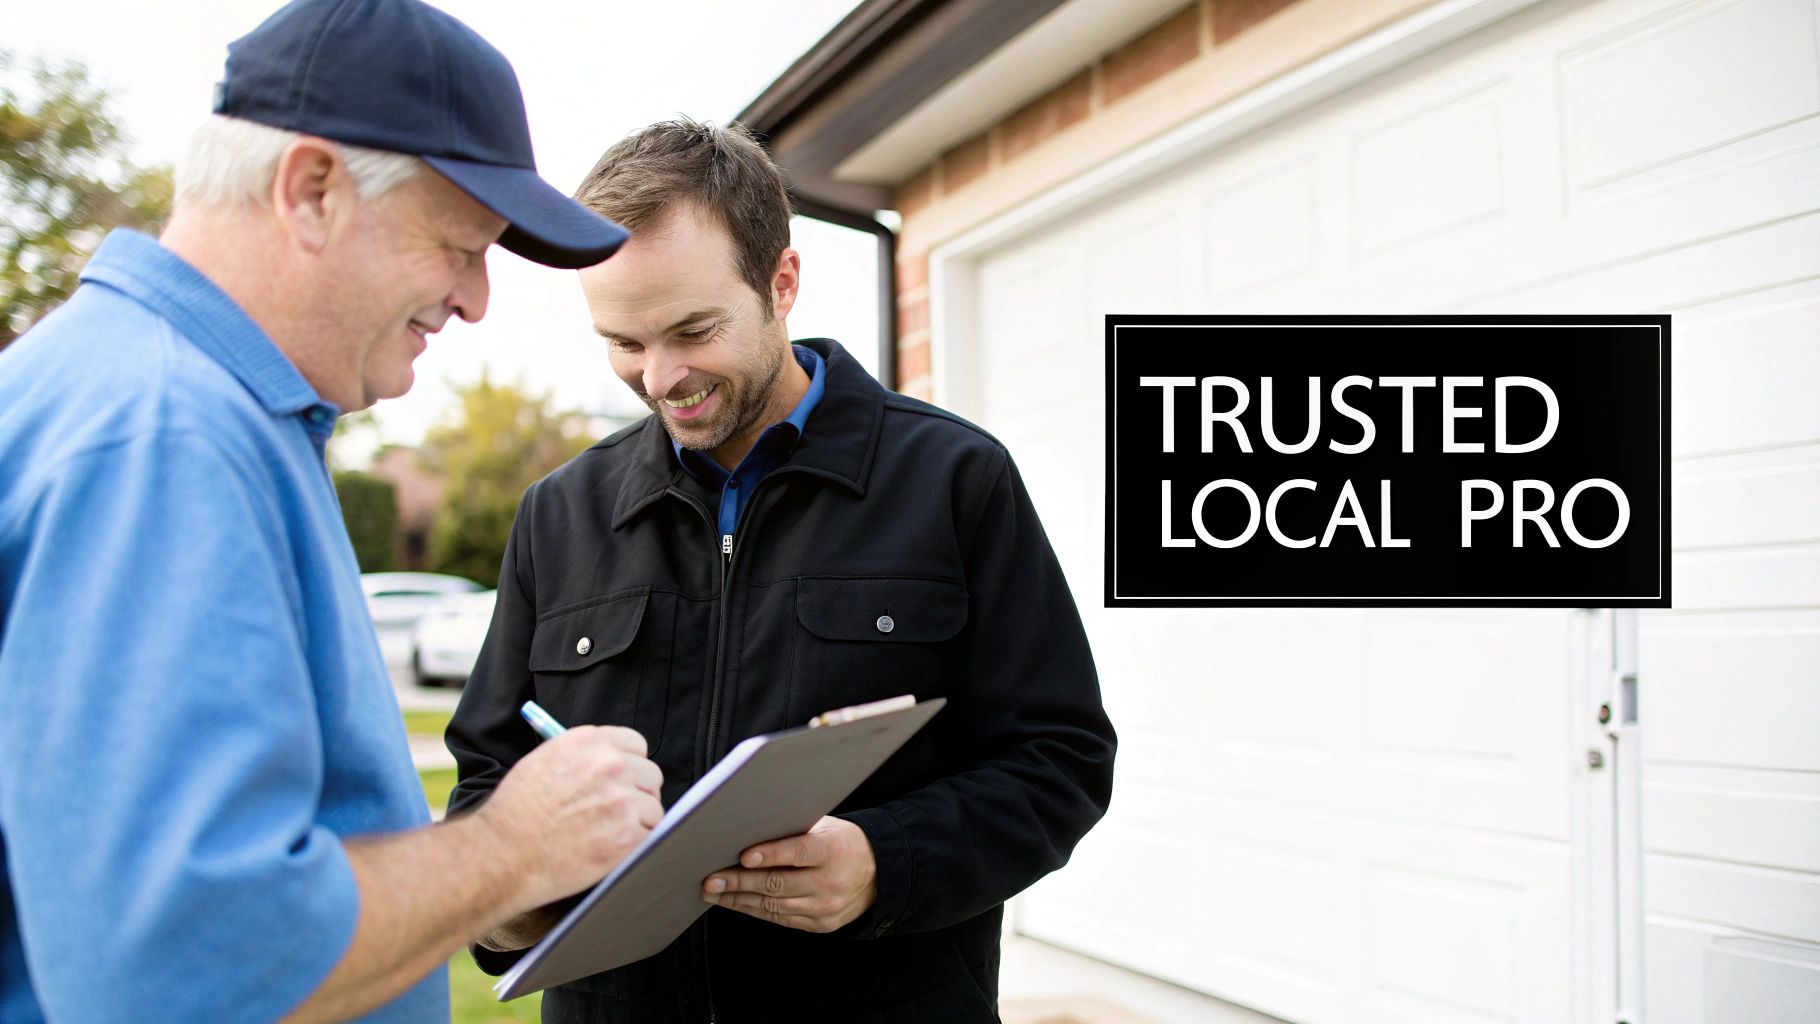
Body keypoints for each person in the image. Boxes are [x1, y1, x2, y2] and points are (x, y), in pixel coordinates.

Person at [0, 2, 666, 1021]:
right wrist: (513, 844)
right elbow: (181, 965)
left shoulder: (144, 392)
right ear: (310, 191)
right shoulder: (167, 435)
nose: (477, 299)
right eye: (460, 243)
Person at [444, 118, 1117, 1023]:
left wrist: (887, 862)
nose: (661, 377)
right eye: (624, 343)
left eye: (693, 329)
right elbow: (489, 777)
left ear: (782, 282)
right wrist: (511, 897)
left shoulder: (953, 481)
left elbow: (1059, 761)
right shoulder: (559, 515)